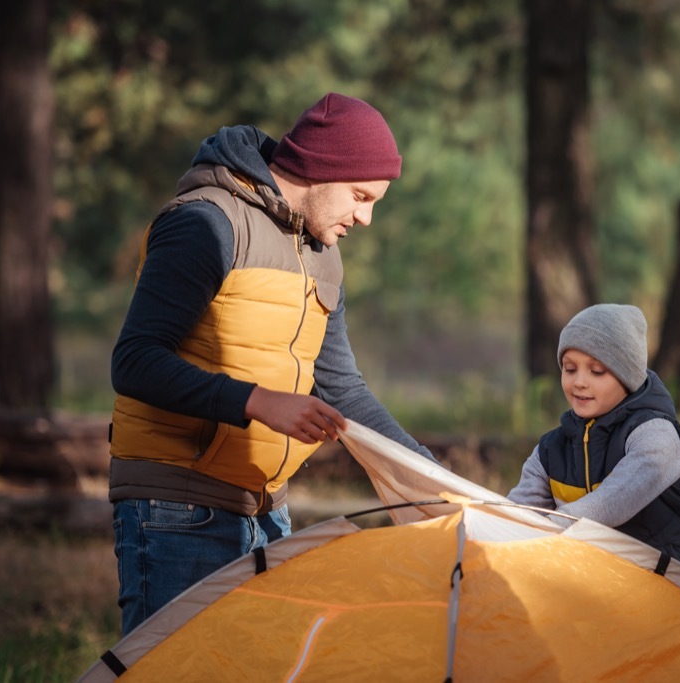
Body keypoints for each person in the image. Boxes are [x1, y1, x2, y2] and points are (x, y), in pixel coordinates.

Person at [108, 92, 437, 635]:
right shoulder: (206, 224)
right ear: (321, 170)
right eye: (360, 195)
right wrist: (257, 402)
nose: (367, 216)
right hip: (177, 511)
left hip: (266, 511)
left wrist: (433, 480)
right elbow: (135, 362)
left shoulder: (322, 253)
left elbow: (343, 388)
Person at [507, 303, 680, 590]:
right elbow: (513, 515)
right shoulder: (551, 449)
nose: (579, 383)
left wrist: (544, 535)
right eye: (569, 369)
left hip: (679, 592)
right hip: (608, 591)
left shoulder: (656, 436)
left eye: (597, 371)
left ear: (628, 376)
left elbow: (606, 507)